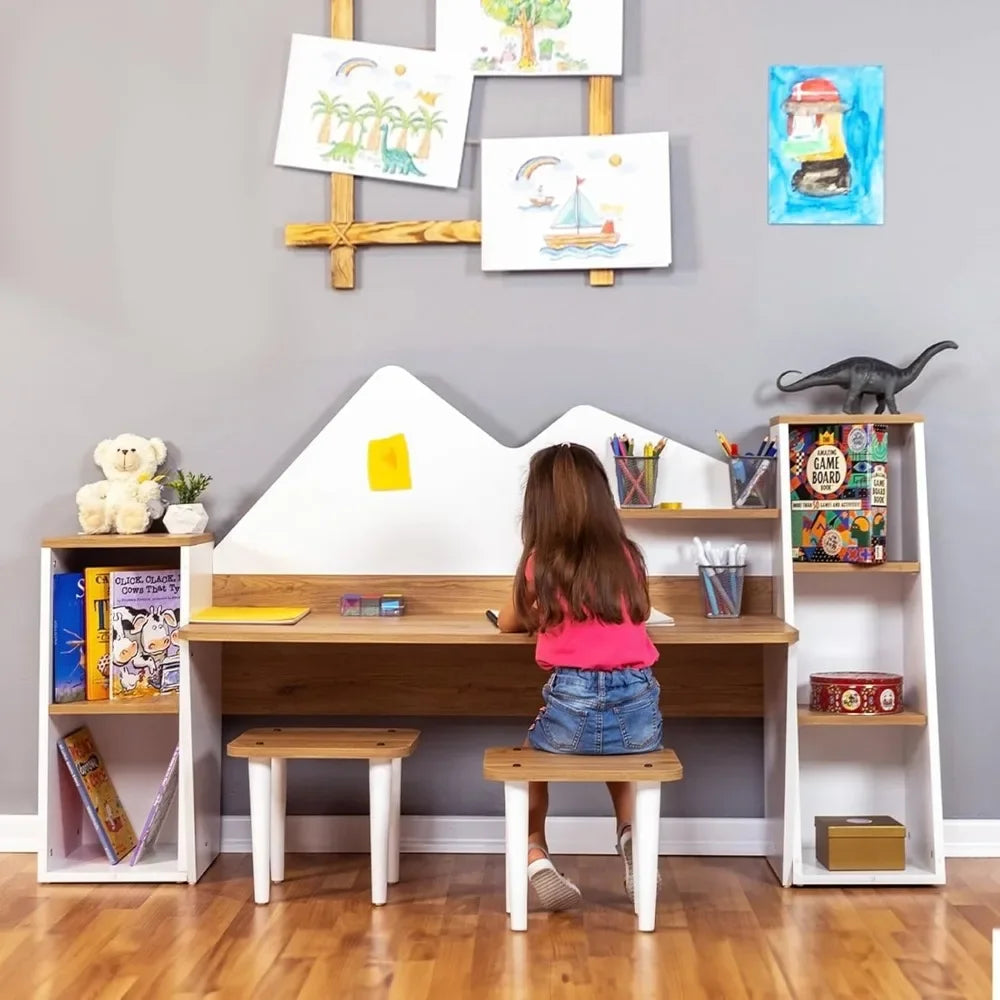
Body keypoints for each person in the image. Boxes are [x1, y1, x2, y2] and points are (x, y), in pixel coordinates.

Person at [496, 442, 663, 911]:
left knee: (528, 758)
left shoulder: (539, 564)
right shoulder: (628, 557)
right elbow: (640, 610)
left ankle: (534, 851)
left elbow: (510, 621)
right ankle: (630, 836)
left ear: (539, 505)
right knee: (622, 757)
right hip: (639, 723)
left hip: (570, 718)